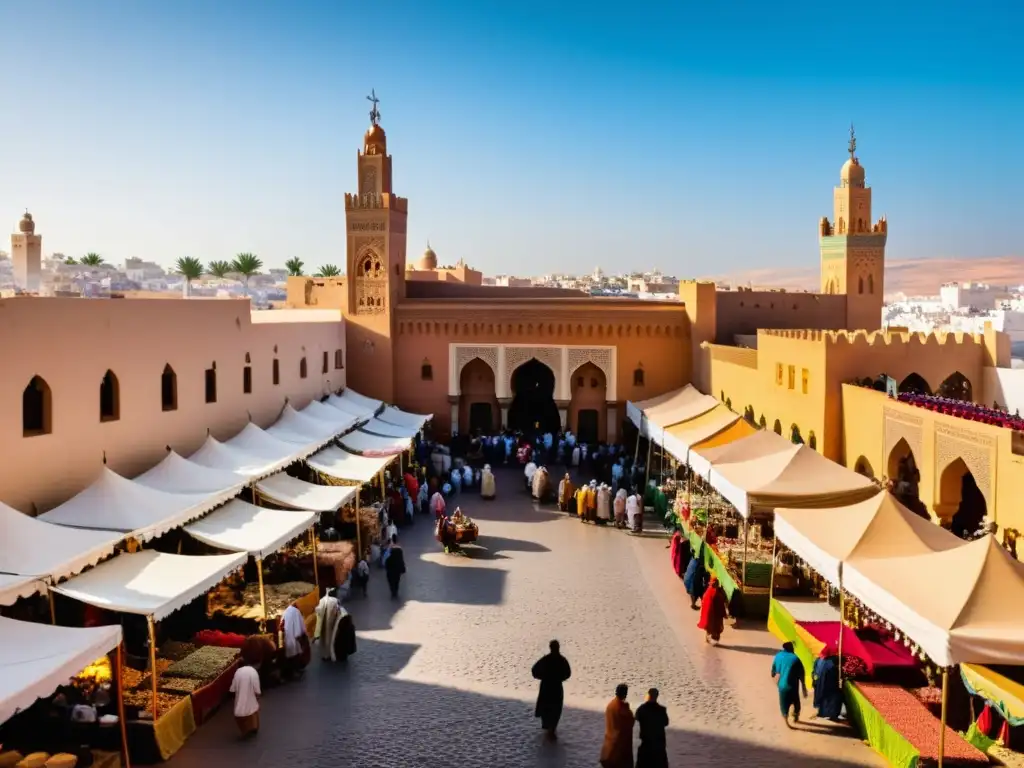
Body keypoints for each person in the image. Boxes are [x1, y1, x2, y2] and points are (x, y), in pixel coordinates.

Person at [531, 639, 572, 740]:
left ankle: (549, 727)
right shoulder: (562, 660)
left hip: (546, 686)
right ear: (558, 647)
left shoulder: (546, 659)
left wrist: (542, 677)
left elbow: (534, 670)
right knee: (556, 708)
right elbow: (568, 673)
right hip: (557, 687)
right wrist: (561, 678)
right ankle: (552, 728)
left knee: (547, 707)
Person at [771, 641, 808, 726]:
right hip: (793, 686)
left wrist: (776, 680)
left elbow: (773, 671)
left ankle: (785, 718)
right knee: (796, 703)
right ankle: (796, 716)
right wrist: (803, 687)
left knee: (783, 703)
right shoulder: (795, 658)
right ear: (792, 648)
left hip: (782, 686)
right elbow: (801, 674)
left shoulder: (778, 656)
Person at [600, 683, 635, 768]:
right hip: (620, 744)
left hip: (609, 743)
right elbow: (630, 721)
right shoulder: (622, 708)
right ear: (625, 694)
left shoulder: (611, 704)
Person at [634, 688, 669, 768]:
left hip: (646, 744)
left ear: (648, 695)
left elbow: (636, 717)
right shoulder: (661, 710)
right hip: (659, 745)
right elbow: (666, 723)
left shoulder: (642, 709)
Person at [229, 662, 261, 738]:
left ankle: (244, 731)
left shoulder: (237, 672)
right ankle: (254, 727)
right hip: (251, 695)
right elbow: (256, 684)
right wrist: (257, 694)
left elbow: (233, 688)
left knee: (239, 714)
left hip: (240, 697)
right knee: (253, 710)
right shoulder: (253, 671)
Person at [812, 645, 843, 721]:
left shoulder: (819, 660)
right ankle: (833, 715)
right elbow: (835, 672)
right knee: (834, 698)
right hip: (830, 682)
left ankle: (823, 713)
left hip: (820, 682)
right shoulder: (833, 661)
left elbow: (814, 672)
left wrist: (815, 680)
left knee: (824, 697)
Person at [697, 574, 729, 644]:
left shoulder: (708, 592)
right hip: (716, 615)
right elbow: (721, 605)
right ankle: (715, 639)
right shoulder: (717, 593)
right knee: (716, 628)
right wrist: (724, 614)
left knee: (709, 627)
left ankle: (708, 637)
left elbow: (705, 604)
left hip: (709, 615)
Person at [280, 603, 309, 679]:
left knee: (290, 653)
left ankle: (291, 672)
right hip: (295, 636)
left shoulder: (285, 611)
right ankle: (295, 671)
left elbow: (281, 622)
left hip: (287, 636)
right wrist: (302, 633)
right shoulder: (296, 611)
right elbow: (300, 624)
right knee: (296, 653)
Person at [314, 589, 342, 661]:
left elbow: (317, 610)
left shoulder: (322, 600)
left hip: (323, 624)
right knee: (331, 639)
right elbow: (338, 612)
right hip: (332, 624)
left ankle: (324, 655)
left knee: (323, 639)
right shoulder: (335, 601)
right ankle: (330, 654)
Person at [683, 543, 709, 610]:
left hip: (691, 578)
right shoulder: (696, 562)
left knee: (695, 591)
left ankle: (694, 604)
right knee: (699, 591)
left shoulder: (693, 559)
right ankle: (697, 604)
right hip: (695, 578)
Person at [384, 534, 406, 598]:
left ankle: (393, 591)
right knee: (397, 580)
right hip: (397, 568)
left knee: (391, 580)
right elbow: (401, 560)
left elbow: (385, 558)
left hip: (390, 568)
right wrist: (402, 567)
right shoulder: (399, 549)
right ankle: (395, 591)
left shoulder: (389, 549)